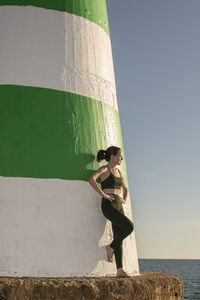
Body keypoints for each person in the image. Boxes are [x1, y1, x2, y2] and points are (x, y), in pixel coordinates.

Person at [88, 146, 134, 278]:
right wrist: (103, 194)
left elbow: (125, 188)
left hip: (118, 205)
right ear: (112, 156)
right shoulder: (105, 169)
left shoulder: (119, 172)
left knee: (119, 234)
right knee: (129, 227)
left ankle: (120, 270)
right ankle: (110, 247)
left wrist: (124, 198)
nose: (121, 158)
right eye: (119, 155)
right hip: (109, 205)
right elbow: (91, 180)